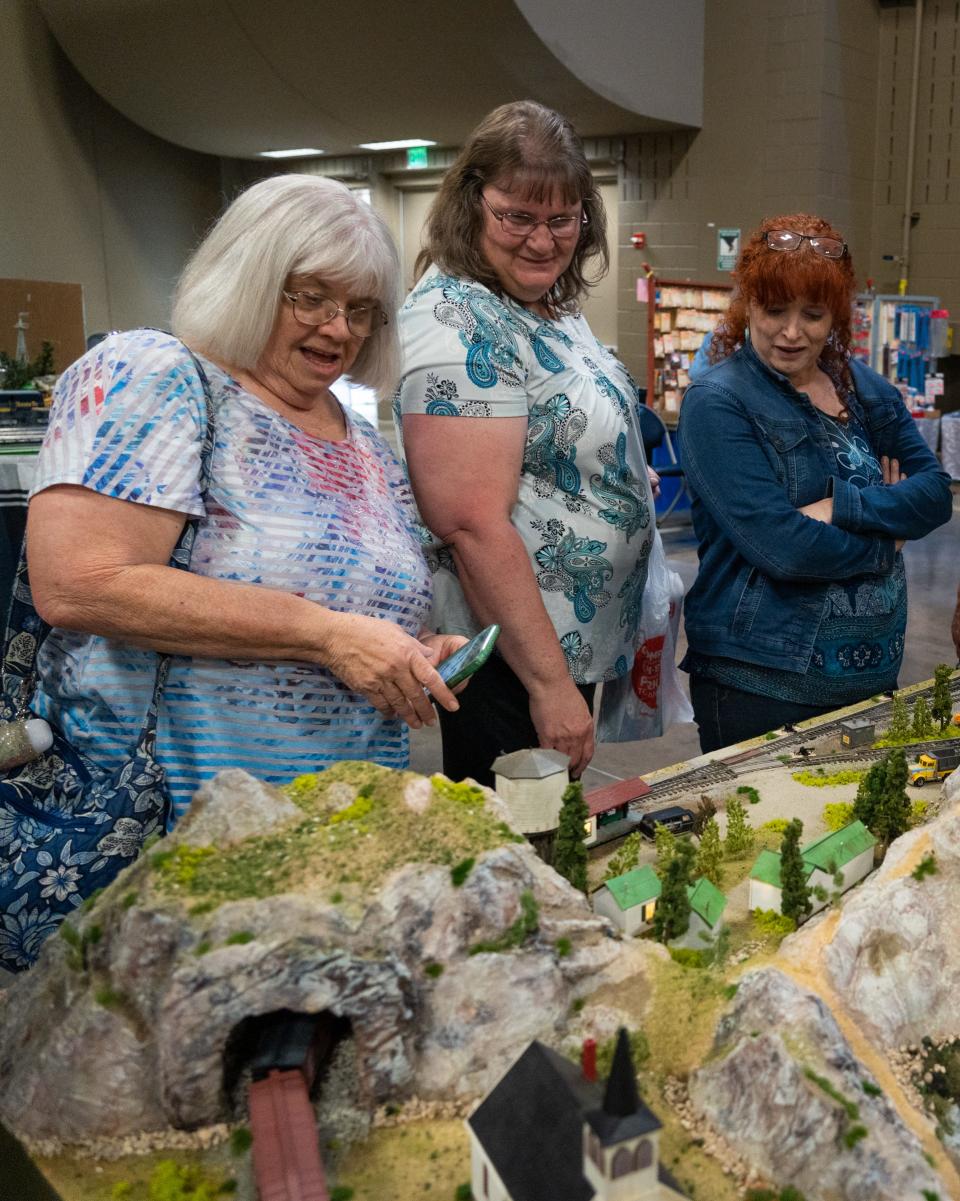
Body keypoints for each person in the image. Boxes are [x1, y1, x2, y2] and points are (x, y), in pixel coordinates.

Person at [24, 174, 466, 823]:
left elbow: (354, 614)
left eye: (361, 308)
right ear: (248, 280)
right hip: (179, 829)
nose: (339, 328)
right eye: (312, 298)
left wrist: (412, 653)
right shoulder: (157, 376)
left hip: (338, 824)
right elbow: (79, 582)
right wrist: (328, 637)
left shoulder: (367, 444)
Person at [396, 100, 655, 785]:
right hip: (512, 662)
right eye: (517, 217)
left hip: (561, 644)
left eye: (561, 220)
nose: (542, 241)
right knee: (517, 857)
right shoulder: (457, 318)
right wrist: (547, 685)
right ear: (471, 206)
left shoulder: (545, 304)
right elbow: (472, 523)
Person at [677, 213, 953, 752]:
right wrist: (887, 539)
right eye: (774, 310)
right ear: (747, 304)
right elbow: (783, 547)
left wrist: (840, 506)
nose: (791, 332)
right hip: (762, 680)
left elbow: (936, 493)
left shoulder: (862, 388)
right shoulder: (718, 403)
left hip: (871, 677)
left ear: (836, 315)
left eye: (813, 314)